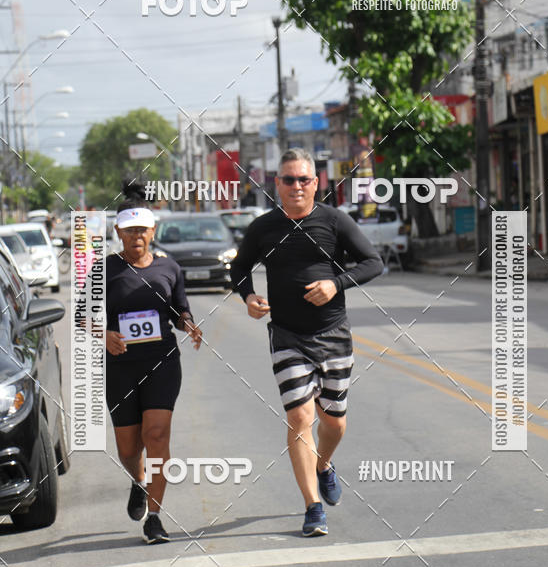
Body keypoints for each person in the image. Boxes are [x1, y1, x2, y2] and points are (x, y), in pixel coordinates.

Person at [230, 148, 383, 536]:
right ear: (276, 185)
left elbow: (373, 262)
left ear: (316, 183)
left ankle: (324, 463)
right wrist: (248, 297)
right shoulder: (263, 227)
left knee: (335, 423)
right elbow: (238, 268)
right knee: (300, 417)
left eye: (304, 179)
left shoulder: (334, 221)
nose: (296, 186)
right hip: (286, 336)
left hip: (332, 334)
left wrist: (336, 283)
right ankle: (313, 506)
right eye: (288, 180)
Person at [105, 190, 202, 543]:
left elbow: (180, 309)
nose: (137, 237)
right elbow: (83, 316)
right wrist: (104, 335)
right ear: (118, 232)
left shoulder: (169, 267)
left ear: (153, 230)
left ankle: (155, 517)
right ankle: (137, 478)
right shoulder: (105, 270)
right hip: (119, 367)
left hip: (162, 362)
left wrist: (188, 323)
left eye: (143, 230)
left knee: (157, 435)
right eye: (130, 231)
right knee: (129, 448)